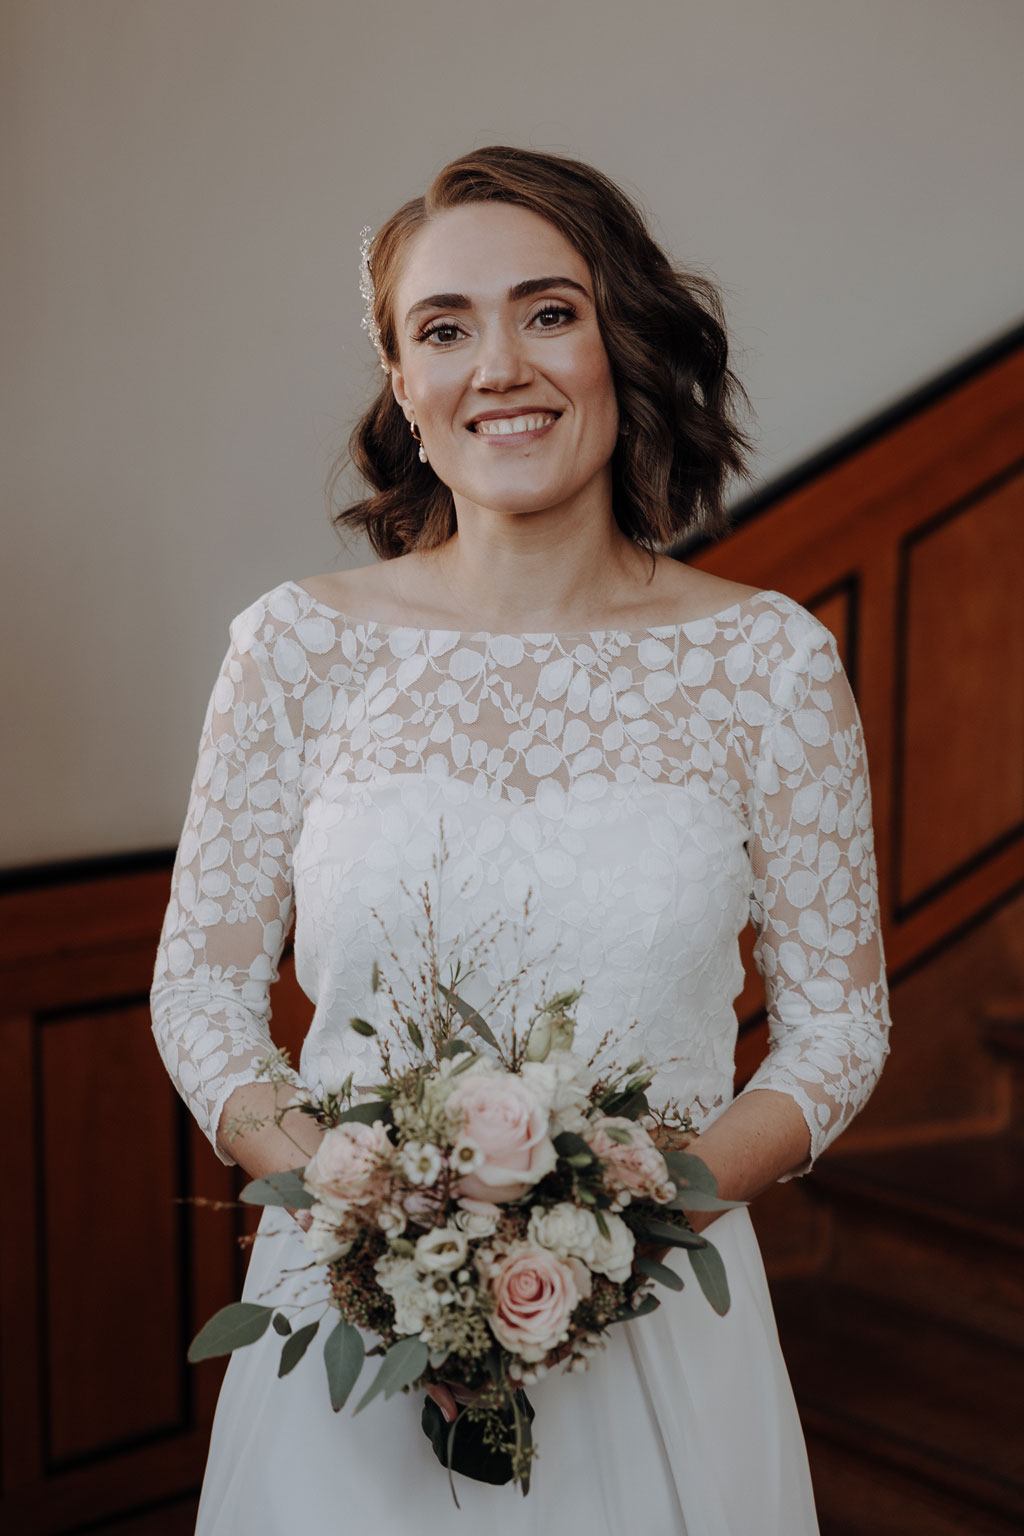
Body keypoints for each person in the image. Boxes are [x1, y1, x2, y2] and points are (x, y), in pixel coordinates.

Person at [150, 144, 891, 1534]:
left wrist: (637, 1215)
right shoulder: (298, 651)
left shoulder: (768, 666)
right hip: (355, 1343)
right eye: (445, 328)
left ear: (623, 339)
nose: (501, 364)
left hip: (658, 1328)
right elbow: (198, 992)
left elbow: (839, 1031)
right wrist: (359, 1210)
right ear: (404, 388)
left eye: (548, 310)